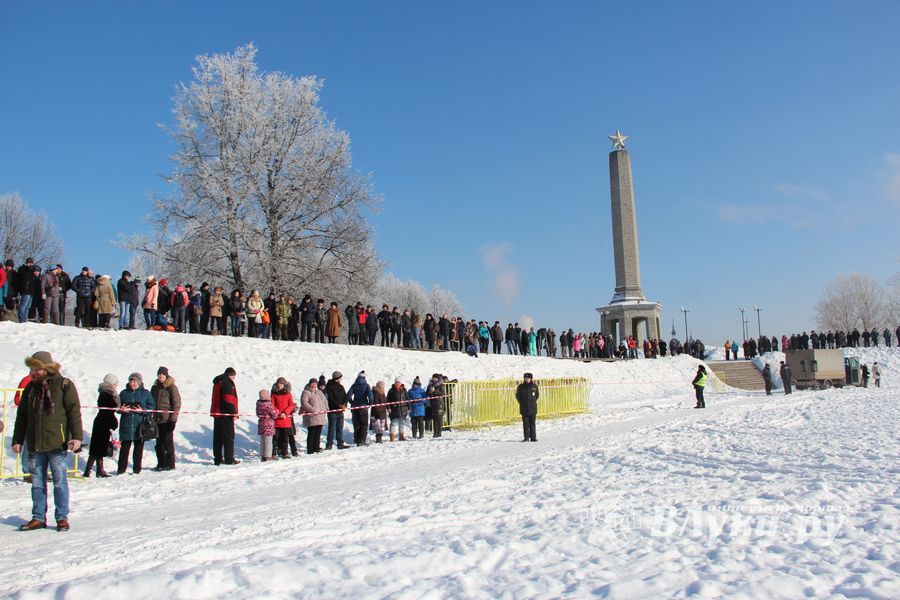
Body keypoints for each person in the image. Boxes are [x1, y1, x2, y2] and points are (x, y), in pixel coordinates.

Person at [12, 351, 83, 531]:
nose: (32, 372)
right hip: (35, 444)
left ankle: (62, 517)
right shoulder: (30, 388)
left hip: (56, 443)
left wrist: (76, 437)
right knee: (37, 484)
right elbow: (22, 417)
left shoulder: (64, 385)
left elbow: (74, 412)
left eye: (35, 368)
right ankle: (38, 517)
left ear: (45, 368)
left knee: (60, 482)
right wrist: (17, 439)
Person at [82, 373, 119, 478]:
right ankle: (88, 471)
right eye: (115, 383)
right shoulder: (106, 393)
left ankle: (98, 470)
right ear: (111, 383)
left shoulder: (106, 393)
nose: (116, 385)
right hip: (103, 423)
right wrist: (113, 422)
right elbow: (109, 409)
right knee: (96, 449)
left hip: (103, 422)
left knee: (99, 449)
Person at [117, 372, 155, 474]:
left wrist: (142, 410)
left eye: (135, 381)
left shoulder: (146, 393)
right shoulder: (123, 393)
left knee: (138, 449)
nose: (132, 383)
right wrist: (121, 409)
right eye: (131, 381)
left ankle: (137, 470)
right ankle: (121, 470)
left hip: (140, 426)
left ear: (139, 382)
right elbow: (117, 407)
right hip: (126, 425)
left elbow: (152, 407)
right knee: (124, 449)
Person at [151, 367, 181, 471]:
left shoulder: (171, 387)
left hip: (167, 420)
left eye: (163, 374)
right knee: (159, 444)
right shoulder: (155, 387)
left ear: (166, 375)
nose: (161, 376)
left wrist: (173, 420)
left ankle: (170, 463)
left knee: (168, 442)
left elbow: (176, 404)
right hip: (157, 419)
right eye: (159, 374)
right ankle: (161, 463)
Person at [210, 367, 240, 465]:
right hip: (226, 414)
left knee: (217, 438)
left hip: (217, 413)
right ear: (230, 375)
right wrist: (233, 412)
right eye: (234, 376)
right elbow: (228, 399)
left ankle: (217, 459)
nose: (234, 378)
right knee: (228, 438)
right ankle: (229, 459)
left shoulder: (218, 382)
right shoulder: (227, 382)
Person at [271, 377, 297, 458]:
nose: (280, 385)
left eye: (281, 384)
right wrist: (279, 413)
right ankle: (274, 453)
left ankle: (285, 453)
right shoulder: (274, 394)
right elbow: (272, 405)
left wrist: (285, 413)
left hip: (286, 419)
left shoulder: (288, 394)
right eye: (279, 384)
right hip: (277, 419)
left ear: (284, 385)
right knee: (275, 438)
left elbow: (291, 405)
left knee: (285, 438)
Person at [300, 377, 327, 453]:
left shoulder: (319, 392)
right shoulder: (306, 392)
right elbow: (304, 403)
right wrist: (312, 409)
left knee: (318, 433)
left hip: (320, 416)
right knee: (312, 433)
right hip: (311, 416)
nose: (314, 385)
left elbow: (324, 400)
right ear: (309, 384)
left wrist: (325, 408)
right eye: (312, 384)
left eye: (315, 384)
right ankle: (310, 449)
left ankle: (316, 447)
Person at [324, 371, 349, 449]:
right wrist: (339, 405)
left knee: (339, 428)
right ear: (337, 378)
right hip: (333, 411)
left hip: (340, 411)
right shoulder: (329, 387)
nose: (341, 379)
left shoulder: (341, 387)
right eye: (340, 377)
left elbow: (345, 397)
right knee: (331, 428)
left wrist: (344, 405)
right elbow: (330, 399)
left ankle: (340, 443)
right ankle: (329, 444)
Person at [348, 371, 373, 446]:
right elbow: (371, 396)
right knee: (364, 424)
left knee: (356, 424)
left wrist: (352, 402)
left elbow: (348, 395)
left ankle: (356, 439)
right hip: (363, 407)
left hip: (355, 407)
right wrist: (370, 404)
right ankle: (361, 440)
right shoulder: (366, 386)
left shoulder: (354, 385)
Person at [515, 372, 540, 442]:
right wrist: (522, 402)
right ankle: (526, 437)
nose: (527, 379)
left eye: (528, 378)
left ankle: (533, 437)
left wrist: (532, 402)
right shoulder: (521, 387)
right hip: (524, 408)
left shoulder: (534, 386)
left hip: (532, 408)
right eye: (526, 378)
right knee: (525, 423)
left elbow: (537, 396)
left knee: (532, 423)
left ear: (531, 379)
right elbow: (518, 396)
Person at [256, 389, 278, 461]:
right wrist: (277, 412)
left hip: (261, 424)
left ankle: (262, 456)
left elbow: (258, 413)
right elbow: (274, 415)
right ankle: (268, 456)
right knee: (268, 442)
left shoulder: (258, 403)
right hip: (268, 424)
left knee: (263, 441)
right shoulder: (268, 404)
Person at [387, 377, 410, 442]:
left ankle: (401, 437)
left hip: (403, 409)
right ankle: (392, 437)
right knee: (393, 423)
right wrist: (388, 407)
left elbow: (407, 399)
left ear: (401, 383)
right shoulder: (391, 390)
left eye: (398, 382)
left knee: (401, 423)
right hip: (394, 409)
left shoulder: (404, 390)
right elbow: (388, 400)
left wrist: (409, 407)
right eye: (396, 382)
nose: (397, 383)